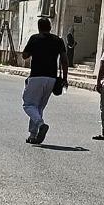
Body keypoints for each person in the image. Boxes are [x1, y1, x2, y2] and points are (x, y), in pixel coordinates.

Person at [20, 16, 67, 144]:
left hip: (36, 76)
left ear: (38, 27)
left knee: (28, 105)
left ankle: (41, 124)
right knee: (39, 107)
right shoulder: (58, 40)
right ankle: (33, 135)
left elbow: (25, 55)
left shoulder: (35, 38)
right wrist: (65, 78)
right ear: (50, 27)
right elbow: (64, 59)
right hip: (51, 78)